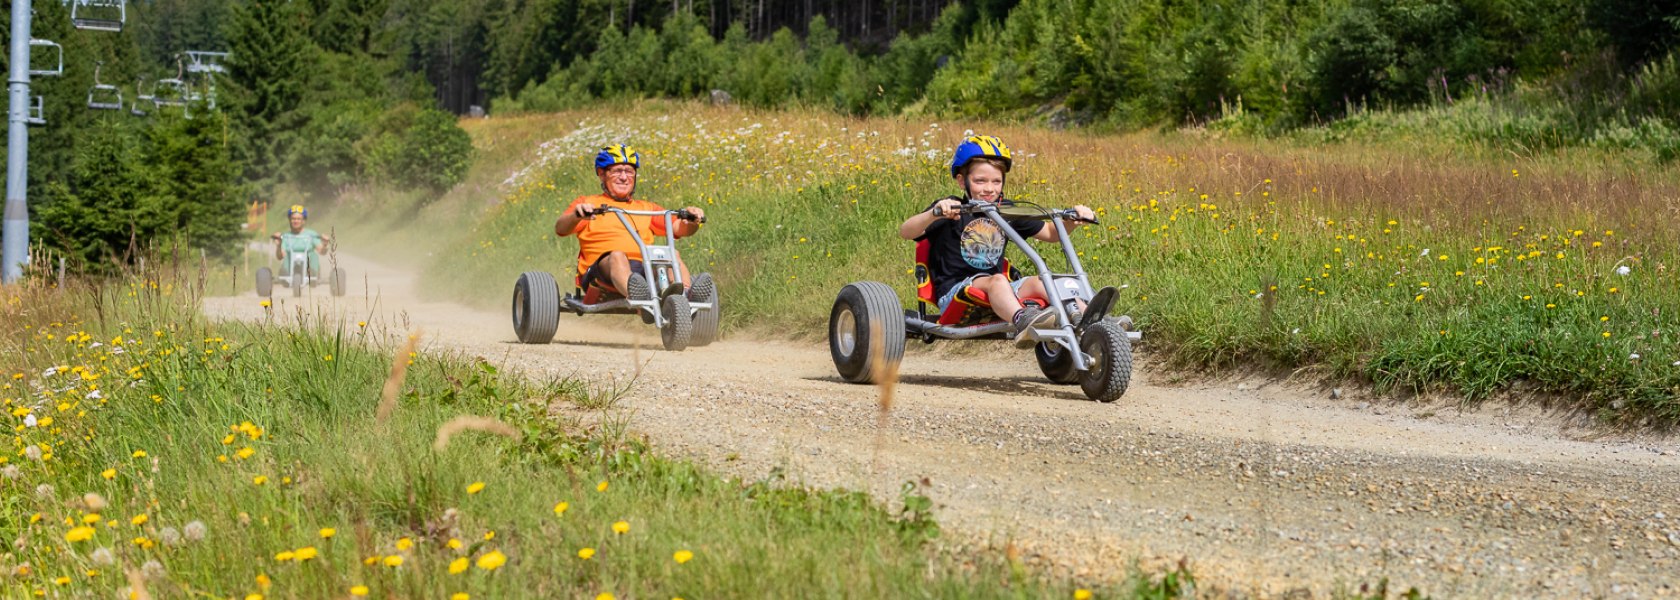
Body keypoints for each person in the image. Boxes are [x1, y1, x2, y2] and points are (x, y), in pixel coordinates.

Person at [898, 135, 1095, 343]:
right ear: (961, 180)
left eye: (996, 181)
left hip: (1000, 291)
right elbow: (906, 231)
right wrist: (935, 213)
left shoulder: (1005, 210)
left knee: (1043, 281)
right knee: (999, 280)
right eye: (980, 181)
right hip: (956, 293)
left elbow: (1051, 234)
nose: (989, 188)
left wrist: (1073, 220)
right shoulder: (952, 208)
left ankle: (1092, 321)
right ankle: (1023, 319)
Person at [552, 144, 709, 303]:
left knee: (671, 255)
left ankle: (685, 296)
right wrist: (576, 216)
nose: (624, 177)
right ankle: (641, 298)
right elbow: (561, 229)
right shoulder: (588, 203)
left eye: (629, 171)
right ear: (602, 174)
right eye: (617, 171)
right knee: (617, 255)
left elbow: (679, 228)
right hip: (601, 272)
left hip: (643, 270)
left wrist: (692, 220)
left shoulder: (647, 208)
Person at [271, 205, 329, 278]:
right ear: (289, 220)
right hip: (290, 263)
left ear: (303, 220)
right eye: (293, 219)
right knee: (287, 258)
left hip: (309, 262)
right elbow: (280, 257)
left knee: (314, 255)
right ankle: (286, 274)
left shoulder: (311, 234)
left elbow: (322, 252)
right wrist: (279, 245)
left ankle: (313, 273)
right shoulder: (285, 236)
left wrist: (325, 244)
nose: (296, 221)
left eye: (298, 219)